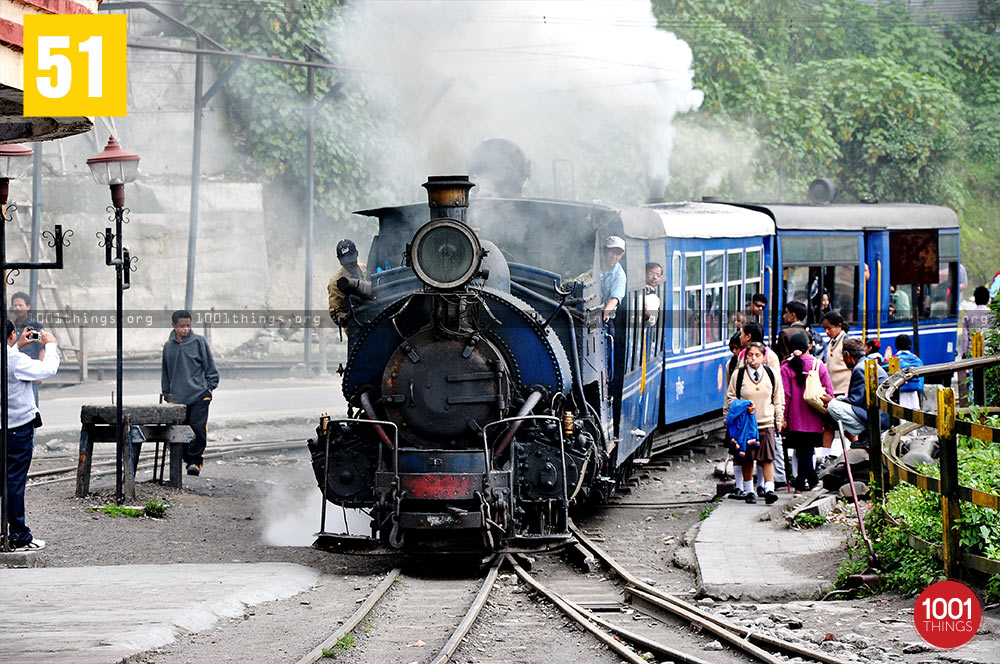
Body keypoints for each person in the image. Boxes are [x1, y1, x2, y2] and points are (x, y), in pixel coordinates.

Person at [3, 321, 59, 551]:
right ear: (11, 335)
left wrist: (16, 346)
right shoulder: (15, 360)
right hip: (17, 428)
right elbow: (47, 370)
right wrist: (51, 344)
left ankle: (5, 532)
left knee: (4, 481)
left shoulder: (12, 356)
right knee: (15, 481)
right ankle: (19, 535)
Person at [725, 342, 785, 505]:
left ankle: (769, 489)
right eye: (750, 355)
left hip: (766, 422)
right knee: (747, 458)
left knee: (767, 458)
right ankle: (749, 490)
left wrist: (778, 419)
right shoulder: (739, 375)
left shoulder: (771, 374)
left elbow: (778, 399)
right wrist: (742, 409)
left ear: (763, 357)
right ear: (746, 357)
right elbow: (730, 398)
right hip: (747, 425)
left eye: (757, 355)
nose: (753, 359)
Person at [161, 310, 219, 476]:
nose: (185, 329)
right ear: (174, 326)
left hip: (199, 395)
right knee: (179, 431)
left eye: (188, 326)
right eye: (182, 326)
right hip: (177, 398)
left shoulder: (199, 342)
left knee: (198, 429)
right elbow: (165, 372)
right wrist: (167, 394)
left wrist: (209, 388)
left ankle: (194, 462)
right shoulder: (168, 347)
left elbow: (210, 367)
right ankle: (183, 460)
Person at [780, 332, 834, 493]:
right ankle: (804, 483)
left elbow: (786, 396)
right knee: (807, 450)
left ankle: (805, 482)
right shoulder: (819, 365)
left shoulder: (786, 367)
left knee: (803, 449)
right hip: (814, 416)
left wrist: (783, 417)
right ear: (809, 346)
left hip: (795, 417)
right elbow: (829, 392)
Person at [821, 338, 888, 444]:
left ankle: (862, 430)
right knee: (837, 401)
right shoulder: (865, 364)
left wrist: (831, 401)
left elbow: (855, 401)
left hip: (877, 418)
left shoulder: (859, 369)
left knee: (833, 406)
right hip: (880, 414)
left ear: (847, 355)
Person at [10, 292, 45, 405]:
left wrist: (39, 372)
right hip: (14, 374)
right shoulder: (11, 327)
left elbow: (41, 348)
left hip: (29, 373)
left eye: (20, 305)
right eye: (15, 305)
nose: (17, 308)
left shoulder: (33, 327)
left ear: (28, 307)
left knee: (31, 407)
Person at [327, 239, 368, 327]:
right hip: (356, 326)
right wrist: (350, 317)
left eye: (352, 257)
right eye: (346, 260)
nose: (350, 263)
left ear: (357, 253)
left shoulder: (364, 268)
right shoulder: (335, 282)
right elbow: (336, 312)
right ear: (340, 260)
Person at [821, 312, 851, 396]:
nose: (827, 332)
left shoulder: (846, 341)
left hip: (845, 390)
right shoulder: (830, 342)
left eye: (829, 328)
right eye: (825, 328)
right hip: (833, 389)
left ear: (839, 326)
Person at [600, 236, 626, 327]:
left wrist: (606, 312)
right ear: (605, 250)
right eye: (612, 252)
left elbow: (615, 298)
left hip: (603, 316)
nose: (614, 257)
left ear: (622, 255)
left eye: (618, 254)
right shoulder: (593, 266)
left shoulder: (619, 275)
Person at [893, 334, 924, 411]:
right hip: (914, 392)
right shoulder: (916, 359)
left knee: (902, 414)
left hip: (901, 393)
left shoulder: (895, 359)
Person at [960, 286, 992, 358]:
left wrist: (964, 354)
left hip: (973, 354)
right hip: (990, 354)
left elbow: (965, 338)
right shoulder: (994, 316)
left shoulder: (968, 316)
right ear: (988, 299)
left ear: (975, 299)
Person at [643, 262, 662, 326]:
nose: (655, 277)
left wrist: (645, 311)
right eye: (651, 273)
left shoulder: (654, 298)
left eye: (658, 275)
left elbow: (651, 322)